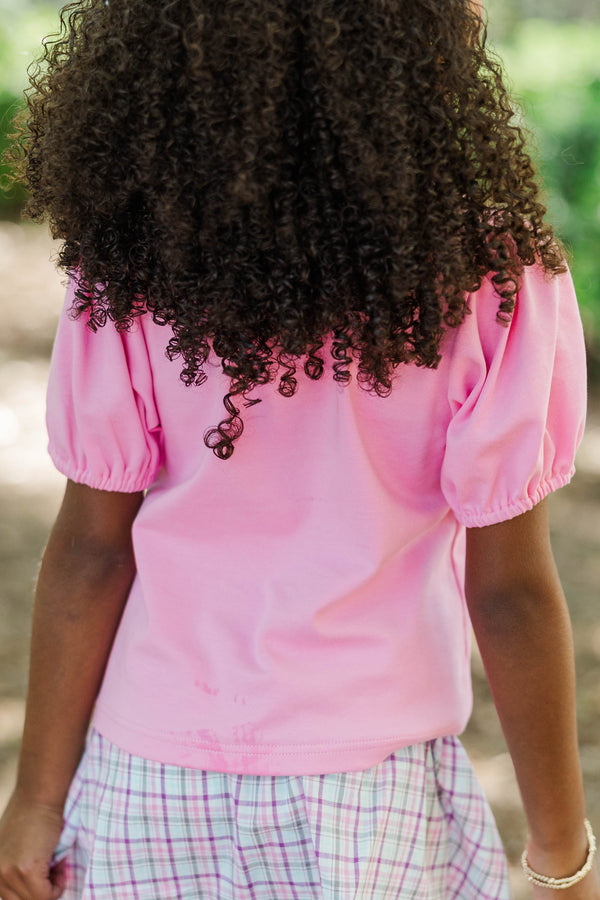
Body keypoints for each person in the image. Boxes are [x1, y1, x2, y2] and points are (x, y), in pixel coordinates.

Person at [0, 0, 598, 897]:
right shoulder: (495, 277)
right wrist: (563, 855)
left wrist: (37, 798)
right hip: (374, 797)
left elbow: (90, 550)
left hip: (148, 785)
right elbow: (507, 591)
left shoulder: (131, 266)